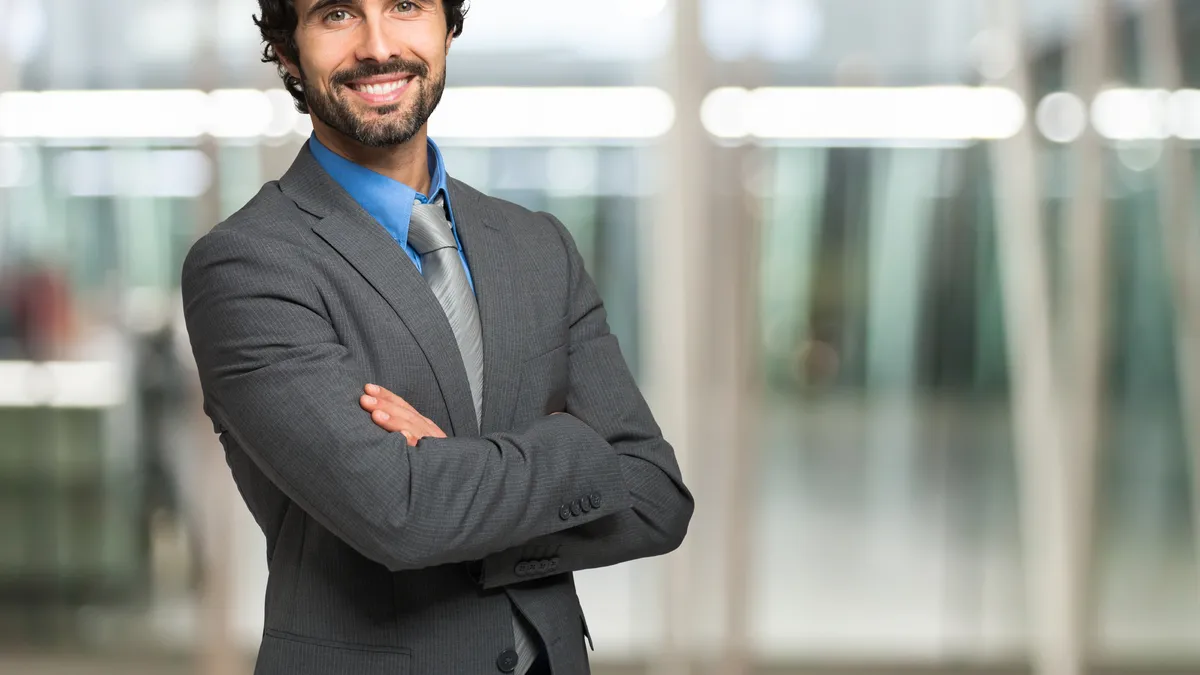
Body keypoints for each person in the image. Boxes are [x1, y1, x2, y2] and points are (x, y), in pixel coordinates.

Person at [179, 1, 694, 674]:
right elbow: (402, 512)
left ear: (447, 26)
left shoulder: (538, 246)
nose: (377, 44)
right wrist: (579, 448)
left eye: (405, 6)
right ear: (286, 48)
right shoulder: (247, 264)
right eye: (338, 14)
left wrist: (460, 469)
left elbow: (656, 495)